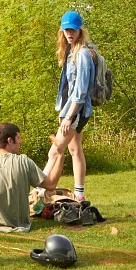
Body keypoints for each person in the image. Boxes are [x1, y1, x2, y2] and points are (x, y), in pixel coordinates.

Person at [44, 11, 94, 202]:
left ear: (80, 30)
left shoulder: (82, 55)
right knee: (74, 150)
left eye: (72, 30)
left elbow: (80, 92)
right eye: (66, 30)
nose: (69, 34)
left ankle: (40, 191)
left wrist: (69, 117)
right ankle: (80, 195)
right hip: (68, 110)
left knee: (55, 150)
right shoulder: (70, 51)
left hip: (75, 112)